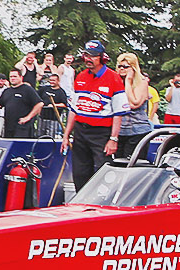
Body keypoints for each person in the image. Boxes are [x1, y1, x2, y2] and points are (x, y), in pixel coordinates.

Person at [62, 39, 127, 191]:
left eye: (92, 56)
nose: (88, 59)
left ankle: (101, 204)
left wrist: (113, 139)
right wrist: (66, 135)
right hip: (80, 131)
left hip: (101, 133)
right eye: (86, 55)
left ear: (102, 58)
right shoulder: (81, 77)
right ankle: (80, 202)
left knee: (103, 172)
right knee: (80, 172)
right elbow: (73, 109)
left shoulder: (113, 78)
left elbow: (119, 113)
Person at [115, 53, 155, 152]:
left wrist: (128, 82)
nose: (121, 69)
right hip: (119, 131)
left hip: (137, 130)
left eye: (125, 66)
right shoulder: (115, 81)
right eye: (119, 66)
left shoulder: (141, 82)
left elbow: (134, 103)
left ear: (133, 67)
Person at [0, 69, 43, 138]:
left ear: (21, 77)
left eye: (15, 76)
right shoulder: (7, 91)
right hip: (9, 127)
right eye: (11, 77)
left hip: (23, 127)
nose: (12, 78)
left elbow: (39, 104)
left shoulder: (27, 89)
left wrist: (28, 117)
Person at [37, 73, 70, 139]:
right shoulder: (44, 89)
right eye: (50, 80)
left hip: (53, 119)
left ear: (58, 81)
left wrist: (53, 105)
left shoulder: (61, 92)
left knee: (50, 137)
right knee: (39, 136)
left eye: (53, 80)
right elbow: (36, 97)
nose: (51, 82)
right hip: (42, 118)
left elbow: (64, 104)